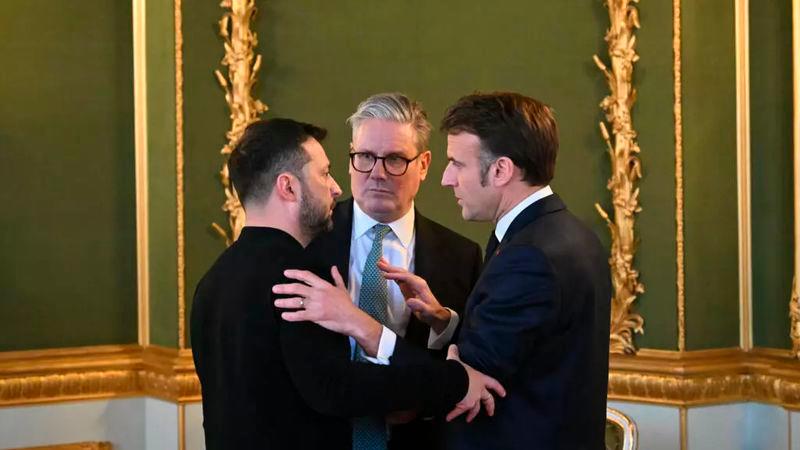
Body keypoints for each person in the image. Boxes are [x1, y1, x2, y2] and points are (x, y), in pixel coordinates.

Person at [279, 93, 612, 450]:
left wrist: (362, 326)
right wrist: (448, 325)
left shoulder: (511, 255)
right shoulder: (569, 236)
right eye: (363, 157)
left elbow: (466, 383)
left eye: (394, 159)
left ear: (500, 170)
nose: (447, 179)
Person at [190, 118, 504, 450]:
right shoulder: (299, 279)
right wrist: (456, 380)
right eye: (324, 174)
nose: (337, 187)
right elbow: (336, 386)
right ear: (289, 187)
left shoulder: (212, 280)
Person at [306, 93, 482, 450]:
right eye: (366, 158)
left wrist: (443, 324)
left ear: (424, 164)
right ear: (351, 158)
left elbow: (469, 361)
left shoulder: (461, 256)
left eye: (396, 159)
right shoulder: (308, 244)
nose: (378, 173)